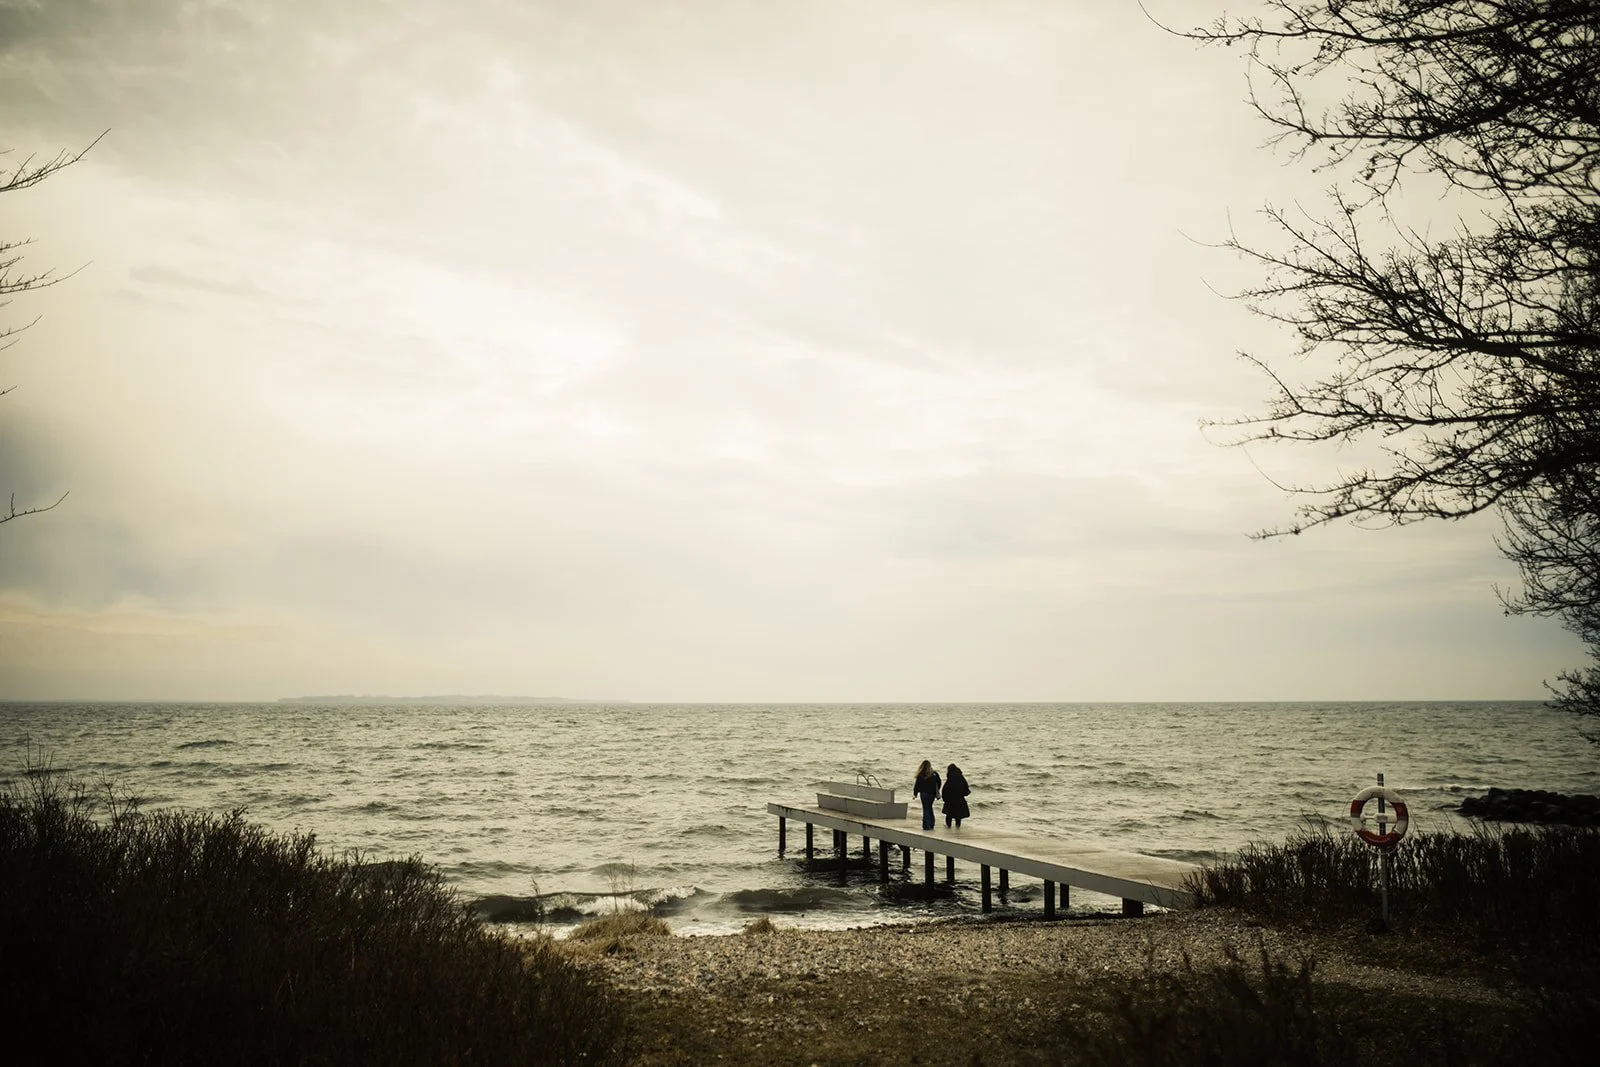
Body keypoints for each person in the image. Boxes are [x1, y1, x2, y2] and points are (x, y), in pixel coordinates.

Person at [912, 760, 942, 831]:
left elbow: (917, 785)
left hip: (924, 793)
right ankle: (931, 824)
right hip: (931, 794)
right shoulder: (934, 774)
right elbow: (939, 782)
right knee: (930, 807)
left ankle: (926, 826)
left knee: (926, 809)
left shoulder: (921, 774)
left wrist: (915, 794)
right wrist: (936, 791)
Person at [942, 764, 971, 828]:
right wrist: (962, 794)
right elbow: (966, 788)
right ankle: (957, 827)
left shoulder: (950, 779)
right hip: (959, 799)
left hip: (950, 799)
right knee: (958, 815)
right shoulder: (961, 777)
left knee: (949, 814)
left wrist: (944, 799)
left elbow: (945, 789)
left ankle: (948, 826)